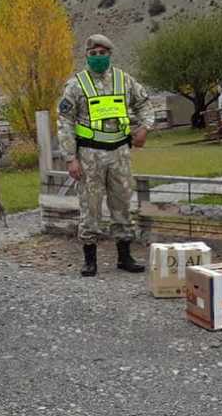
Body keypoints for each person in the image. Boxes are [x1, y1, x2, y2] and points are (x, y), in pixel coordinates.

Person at [57, 34, 153, 277]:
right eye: (93, 54)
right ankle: (90, 260)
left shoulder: (124, 80)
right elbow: (65, 122)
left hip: (120, 153)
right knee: (90, 207)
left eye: (102, 53)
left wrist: (144, 128)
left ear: (109, 54)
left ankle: (125, 257)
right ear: (87, 56)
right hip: (90, 155)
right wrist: (71, 158)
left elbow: (144, 103)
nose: (98, 57)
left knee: (122, 204)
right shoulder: (76, 85)